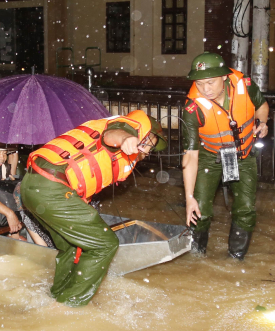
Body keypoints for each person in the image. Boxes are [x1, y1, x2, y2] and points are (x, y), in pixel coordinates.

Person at [21, 110, 167, 307]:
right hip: (51, 185)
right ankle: (68, 306)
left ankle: (57, 297)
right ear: (146, 134)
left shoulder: (118, 132)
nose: (148, 152)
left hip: (33, 185)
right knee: (105, 244)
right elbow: (112, 136)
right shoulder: (127, 127)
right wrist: (127, 139)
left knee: (73, 246)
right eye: (150, 144)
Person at [181, 52, 269, 260]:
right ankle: (195, 258)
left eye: (210, 82)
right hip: (209, 157)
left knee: (246, 209)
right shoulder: (192, 108)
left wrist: (263, 122)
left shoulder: (244, 85)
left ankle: (235, 259)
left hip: (244, 154)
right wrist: (189, 198)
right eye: (200, 84)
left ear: (224, 76)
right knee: (199, 209)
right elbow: (190, 156)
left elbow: (262, 106)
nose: (205, 89)